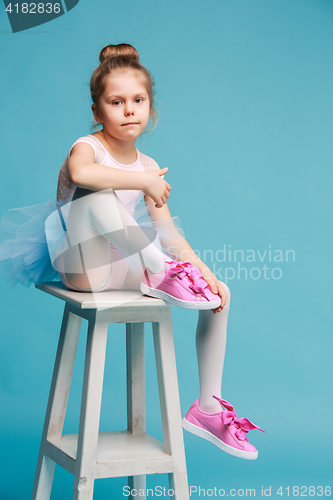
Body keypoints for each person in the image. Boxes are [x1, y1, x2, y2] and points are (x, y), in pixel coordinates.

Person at [0, 43, 264, 459]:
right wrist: (145, 185)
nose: (128, 111)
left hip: (126, 260)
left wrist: (204, 270)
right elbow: (81, 175)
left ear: (150, 107)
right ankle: (162, 272)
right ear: (97, 110)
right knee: (96, 197)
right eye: (116, 102)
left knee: (220, 294)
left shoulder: (146, 163)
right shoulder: (86, 147)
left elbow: (167, 232)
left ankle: (208, 408)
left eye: (137, 101)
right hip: (81, 264)